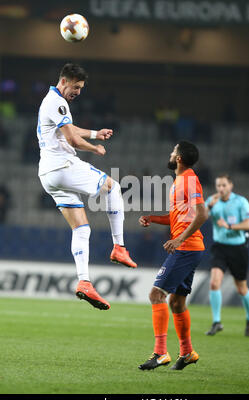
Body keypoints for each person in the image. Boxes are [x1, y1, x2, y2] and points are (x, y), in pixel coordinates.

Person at [37, 63, 137, 311]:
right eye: (77, 87)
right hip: (62, 165)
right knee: (113, 188)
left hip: (48, 174)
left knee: (81, 229)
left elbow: (69, 130)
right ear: (65, 81)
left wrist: (95, 133)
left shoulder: (52, 101)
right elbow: (71, 139)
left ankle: (84, 282)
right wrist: (95, 149)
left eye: (81, 88)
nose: (78, 92)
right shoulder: (58, 102)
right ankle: (119, 247)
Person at [138, 141, 208, 371]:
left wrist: (178, 239)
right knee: (176, 302)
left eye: (173, 151)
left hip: (186, 247)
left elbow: (202, 214)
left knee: (156, 294)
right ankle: (187, 352)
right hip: (190, 247)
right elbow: (177, 217)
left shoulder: (188, 179)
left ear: (178, 158)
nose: (170, 153)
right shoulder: (179, 181)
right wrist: (154, 218)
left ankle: (160, 353)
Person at [205, 174, 249, 336]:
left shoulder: (241, 202)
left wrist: (229, 226)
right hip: (219, 247)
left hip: (237, 248)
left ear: (231, 186)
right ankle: (216, 322)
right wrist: (210, 208)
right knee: (214, 283)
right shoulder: (212, 201)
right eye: (218, 185)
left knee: (241, 288)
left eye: (224, 185)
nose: (221, 188)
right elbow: (201, 217)